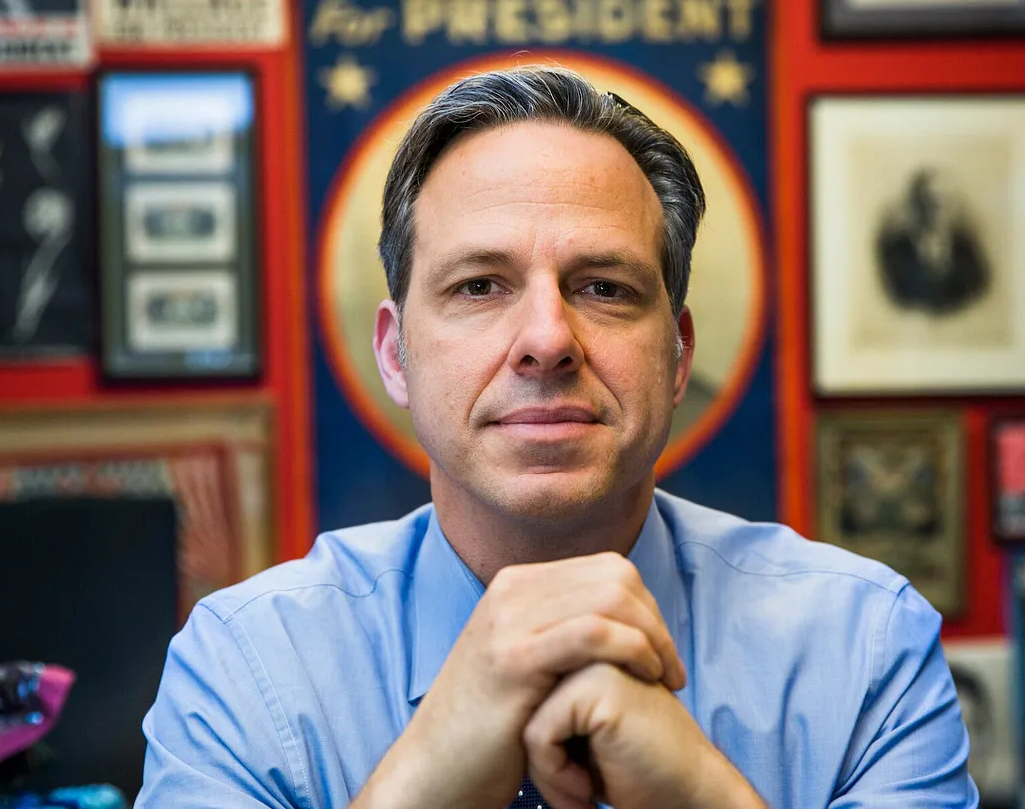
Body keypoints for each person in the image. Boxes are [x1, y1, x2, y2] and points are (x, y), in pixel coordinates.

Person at [136, 66, 975, 809]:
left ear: (678, 357)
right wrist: (423, 783)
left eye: (604, 287)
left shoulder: (865, 649)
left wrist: (697, 793)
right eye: (480, 285)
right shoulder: (247, 667)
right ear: (395, 355)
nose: (547, 339)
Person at [874, 167, 990, 317]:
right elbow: (898, 295)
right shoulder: (898, 251)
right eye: (928, 201)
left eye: (943, 200)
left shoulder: (966, 253)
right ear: (915, 205)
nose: (937, 209)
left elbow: (975, 290)